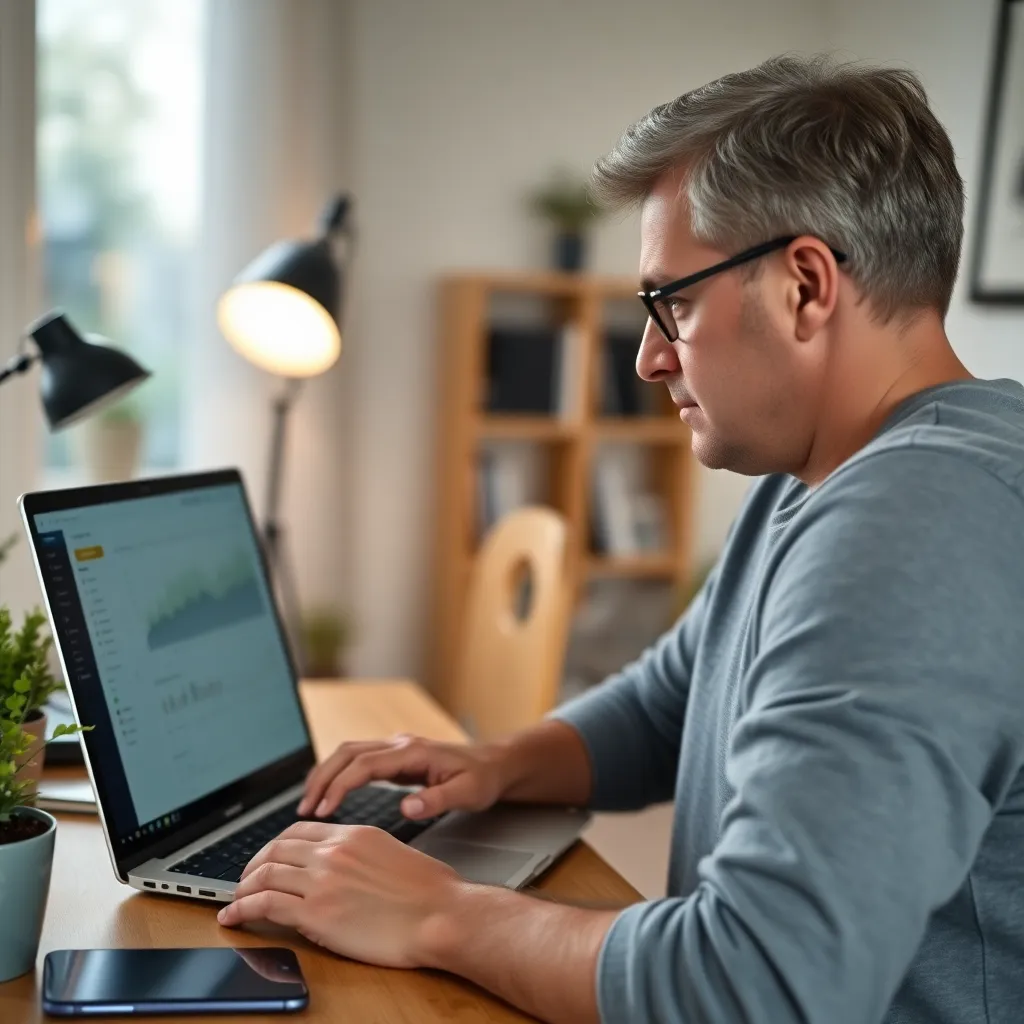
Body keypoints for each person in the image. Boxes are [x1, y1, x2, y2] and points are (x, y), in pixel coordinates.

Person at [217, 54, 1024, 1024]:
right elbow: (676, 696)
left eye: (669, 304)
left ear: (805, 286)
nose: (647, 356)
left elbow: (754, 983)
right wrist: (500, 761)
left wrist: (441, 913)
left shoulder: (915, 519)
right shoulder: (833, 474)